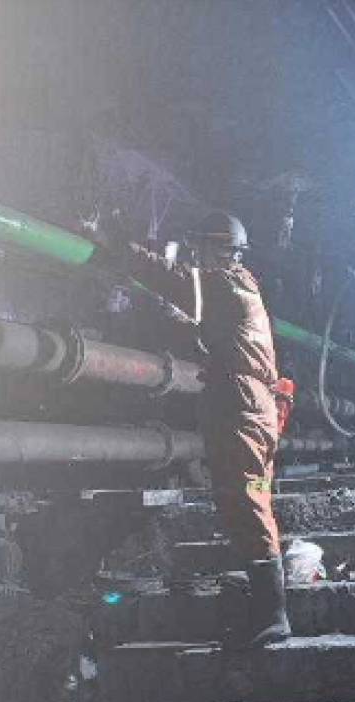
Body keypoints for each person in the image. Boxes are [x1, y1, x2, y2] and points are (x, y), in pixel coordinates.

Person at [125, 212, 290, 649]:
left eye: (199, 249)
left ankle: (273, 615)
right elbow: (213, 329)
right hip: (246, 405)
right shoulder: (237, 287)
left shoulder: (226, 283)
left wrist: (118, 246)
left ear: (219, 249)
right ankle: (265, 610)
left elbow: (170, 276)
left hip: (242, 407)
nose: (194, 256)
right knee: (245, 500)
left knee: (248, 501)